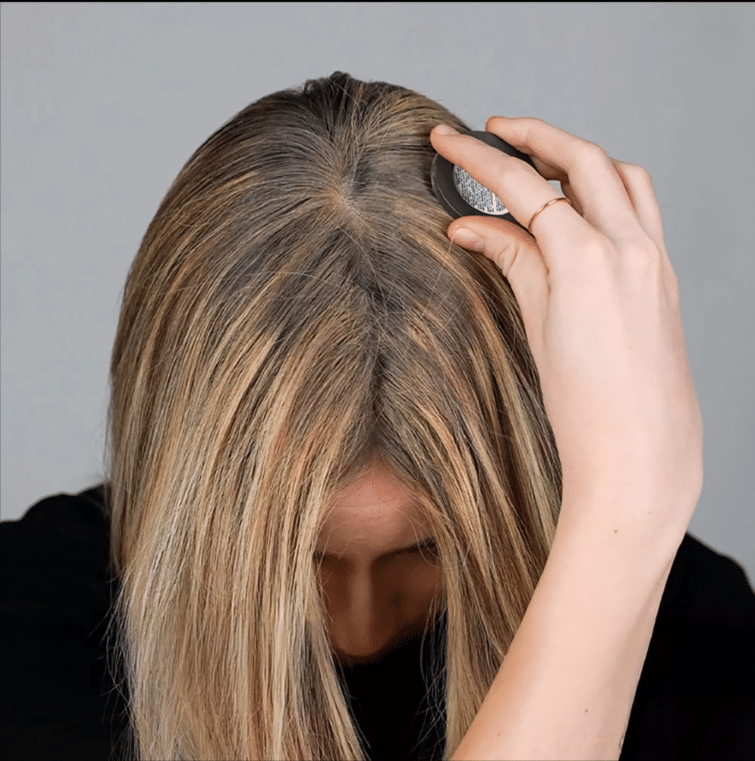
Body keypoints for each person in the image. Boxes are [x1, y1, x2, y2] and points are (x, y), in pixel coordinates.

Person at [2, 71, 754, 761]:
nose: (361, 629)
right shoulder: (30, 619)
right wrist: (628, 510)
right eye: (305, 558)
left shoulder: (697, 638)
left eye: (425, 549)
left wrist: (623, 522)